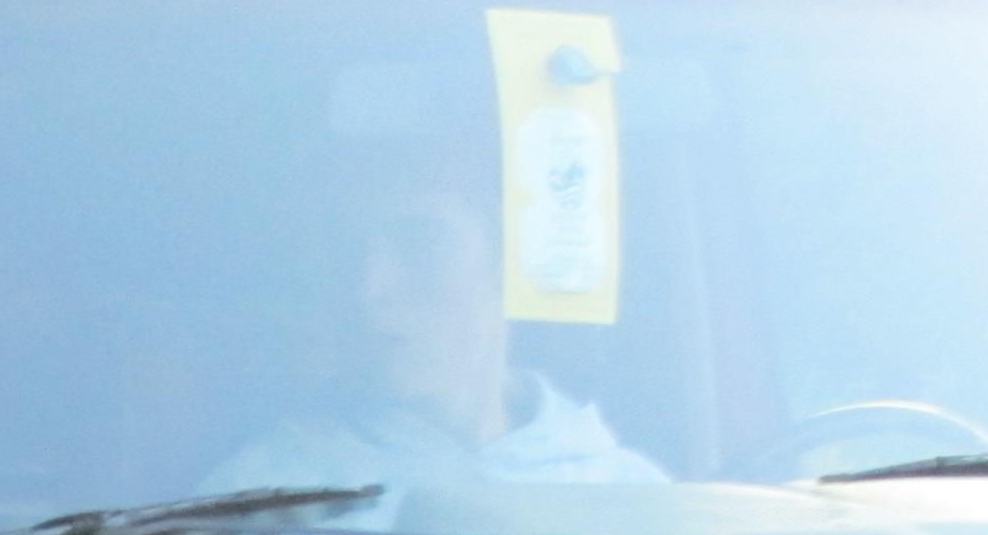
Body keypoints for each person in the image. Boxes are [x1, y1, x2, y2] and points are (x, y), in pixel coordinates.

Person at [213, 180, 665, 491]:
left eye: (421, 243)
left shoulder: (629, 496)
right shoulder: (265, 497)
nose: (370, 288)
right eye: (349, 250)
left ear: (508, 265)